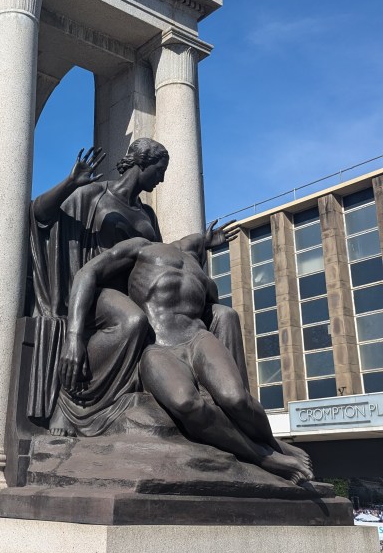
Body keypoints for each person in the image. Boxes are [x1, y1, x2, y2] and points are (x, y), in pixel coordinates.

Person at [29, 138, 247, 436]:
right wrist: (69, 184)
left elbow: (159, 256)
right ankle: (72, 403)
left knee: (224, 315)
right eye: (159, 171)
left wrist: (201, 243)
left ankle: (234, 410)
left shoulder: (147, 214)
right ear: (142, 164)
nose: (162, 179)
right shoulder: (93, 194)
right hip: (97, 290)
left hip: (138, 293)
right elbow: (39, 215)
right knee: (133, 320)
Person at [58, 234, 314, 484]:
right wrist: (74, 335)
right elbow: (87, 272)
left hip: (199, 340)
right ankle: (263, 457)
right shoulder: (142, 248)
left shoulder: (202, 276)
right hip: (158, 348)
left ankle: (272, 443)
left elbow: (215, 311)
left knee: (236, 398)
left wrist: (207, 244)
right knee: (186, 403)